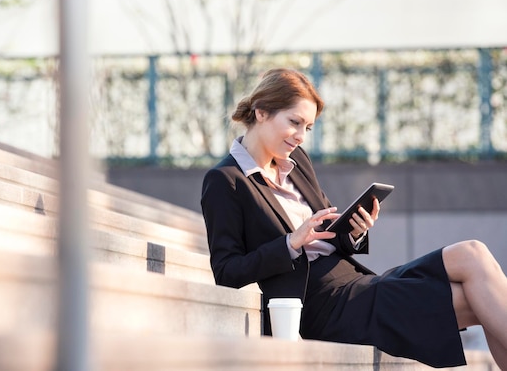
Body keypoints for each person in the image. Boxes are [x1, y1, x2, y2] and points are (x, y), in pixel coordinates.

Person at [200, 68, 507, 369]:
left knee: (473, 256)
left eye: (307, 128)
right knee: (480, 295)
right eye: (294, 122)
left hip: (356, 283)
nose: (300, 137)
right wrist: (290, 243)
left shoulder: (297, 162)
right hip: (320, 304)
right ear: (262, 112)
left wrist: (355, 231)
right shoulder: (225, 180)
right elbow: (227, 272)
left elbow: (330, 231)